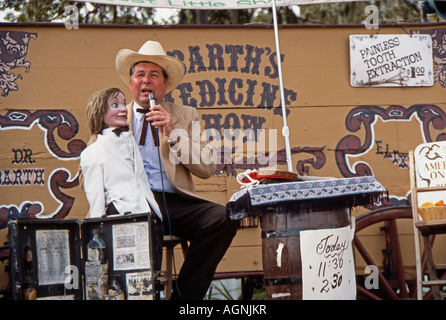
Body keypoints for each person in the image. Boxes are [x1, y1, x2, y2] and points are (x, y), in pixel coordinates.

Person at [115, 41, 238, 300]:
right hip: (129, 200)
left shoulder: (185, 115)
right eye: (140, 74)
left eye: (154, 75)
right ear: (131, 83)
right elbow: (89, 166)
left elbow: (207, 166)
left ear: (165, 86)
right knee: (145, 227)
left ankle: (183, 300)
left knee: (221, 218)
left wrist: (173, 133)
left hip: (173, 201)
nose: (146, 80)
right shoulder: (114, 116)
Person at [79, 87, 162, 221]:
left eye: (124, 103)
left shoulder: (131, 140)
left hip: (149, 211)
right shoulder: (92, 151)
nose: (123, 109)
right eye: (115, 105)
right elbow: (95, 195)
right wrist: (98, 227)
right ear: (99, 112)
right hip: (121, 213)